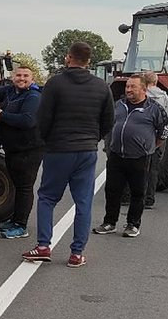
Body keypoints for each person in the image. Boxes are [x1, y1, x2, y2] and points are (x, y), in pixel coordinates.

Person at [21, 42, 114, 268]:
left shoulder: (55, 83)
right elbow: (108, 120)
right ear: (89, 61)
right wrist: (93, 138)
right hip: (87, 149)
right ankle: (77, 253)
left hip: (59, 149)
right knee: (83, 201)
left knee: (47, 197)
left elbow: (42, 118)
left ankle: (43, 246)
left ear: (68, 57)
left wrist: (46, 140)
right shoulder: (102, 86)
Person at [93, 74, 168, 238]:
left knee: (138, 192)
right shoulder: (119, 105)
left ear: (143, 89)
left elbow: (164, 132)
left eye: (132, 87)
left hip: (139, 158)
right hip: (117, 156)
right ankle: (109, 222)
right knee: (112, 190)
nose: (128, 90)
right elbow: (108, 124)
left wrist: (149, 147)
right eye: (127, 86)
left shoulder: (154, 108)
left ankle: (133, 224)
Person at [0, 65, 45, 239]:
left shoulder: (34, 96)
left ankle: (21, 226)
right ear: (13, 77)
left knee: (25, 187)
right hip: (13, 149)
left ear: (32, 79)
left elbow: (28, 120)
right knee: (18, 186)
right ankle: (14, 220)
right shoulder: (10, 91)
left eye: (26, 76)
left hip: (29, 149)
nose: (22, 78)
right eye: (18, 75)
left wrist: (1, 116)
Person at [141, 70, 168, 210]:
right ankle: (149, 199)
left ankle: (133, 196)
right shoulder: (164, 97)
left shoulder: (141, 96)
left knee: (137, 167)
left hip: (141, 137)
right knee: (153, 168)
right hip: (157, 138)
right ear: (156, 81)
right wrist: (162, 138)